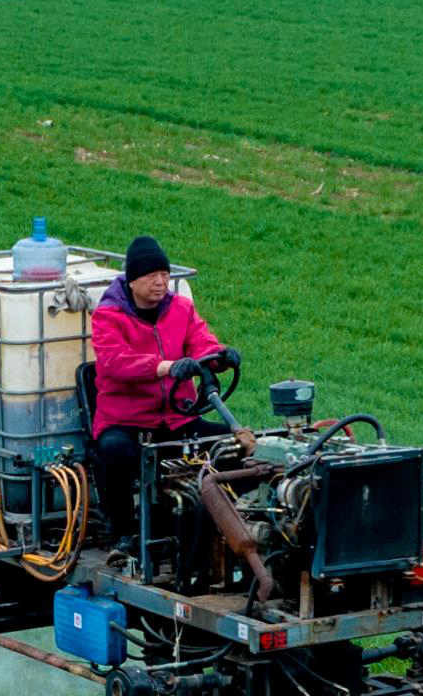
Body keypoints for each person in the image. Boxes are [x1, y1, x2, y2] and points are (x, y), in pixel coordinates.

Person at [83, 237, 279, 605]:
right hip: (126, 420)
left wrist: (218, 357)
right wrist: (166, 367)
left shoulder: (181, 310)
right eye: (153, 276)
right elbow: (114, 363)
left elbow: (202, 343)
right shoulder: (108, 316)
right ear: (133, 281)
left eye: (165, 275)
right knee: (112, 452)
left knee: (230, 448)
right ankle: (123, 533)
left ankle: (225, 526)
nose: (161, 282)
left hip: (176, 418)